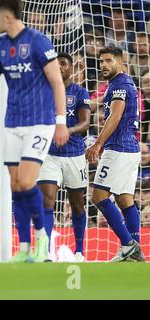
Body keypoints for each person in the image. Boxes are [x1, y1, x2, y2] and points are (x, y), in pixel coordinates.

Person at [0, 0, 69, 263]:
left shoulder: (38, 41)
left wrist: (60, 121)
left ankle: (42, 239)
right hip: (11, 123)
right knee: (15, 186)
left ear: (7, 17)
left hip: (39, 121)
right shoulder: (1, 45)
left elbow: (56, 82)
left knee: (27, 182)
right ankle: (26, 247)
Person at [86, 46, 145, 262]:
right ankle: (136, 251)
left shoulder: (119, 84)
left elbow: (116, 115)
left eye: (109, 61)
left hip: (118, 148)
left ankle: (129, 245)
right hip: (131, 148)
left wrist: (97, 144)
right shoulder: (123, 83)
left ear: (120, 62)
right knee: (125, 200)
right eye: (101, 61)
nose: (103, 65)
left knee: (98, 197)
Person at [37, 53, 91, 262]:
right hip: (49, 155)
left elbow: (86, 123)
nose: (60, 67)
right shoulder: (43, 93)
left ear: (71, 68)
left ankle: (79, 251)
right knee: (47, 201)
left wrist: (67, 131)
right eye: (56, 64)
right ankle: (46, 251)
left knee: (77, 204)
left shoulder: (79, 92)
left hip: (75, 155)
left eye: (64, 64)